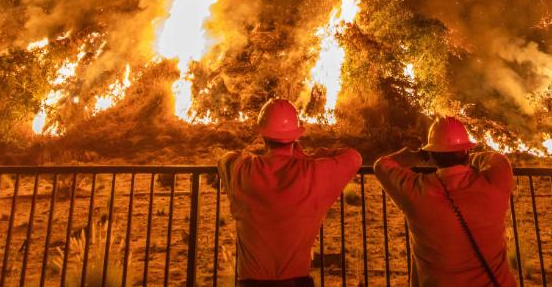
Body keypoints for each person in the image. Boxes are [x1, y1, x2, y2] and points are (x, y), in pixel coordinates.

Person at [218, 98, 362, 286]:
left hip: (250, 282)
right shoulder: (313, 173)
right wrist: (311, 156)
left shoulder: (242, 171)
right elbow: (354, 157)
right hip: (296, 282)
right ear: (295, 137)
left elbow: (225, 158)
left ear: (263, 136)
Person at [374, 116, 517, 287]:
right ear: (466, 152)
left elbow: (382, 165)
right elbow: (498, 160)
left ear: (432, 155)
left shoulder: (415, 191)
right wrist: (467, 157)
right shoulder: (494, 183)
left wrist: (420, 156)